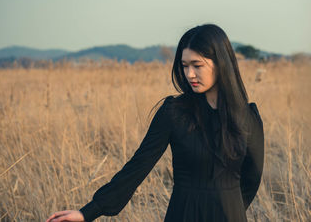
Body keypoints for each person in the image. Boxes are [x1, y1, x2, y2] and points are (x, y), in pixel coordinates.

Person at [46, 24, 264, 222]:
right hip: (184, 213)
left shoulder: (246, 117)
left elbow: (252, 178)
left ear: (220, 64)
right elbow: (139, 165)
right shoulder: (174, 112)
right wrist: (87, 212)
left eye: (197, 65)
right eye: (185, 65)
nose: (189, 74)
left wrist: (229, 204)